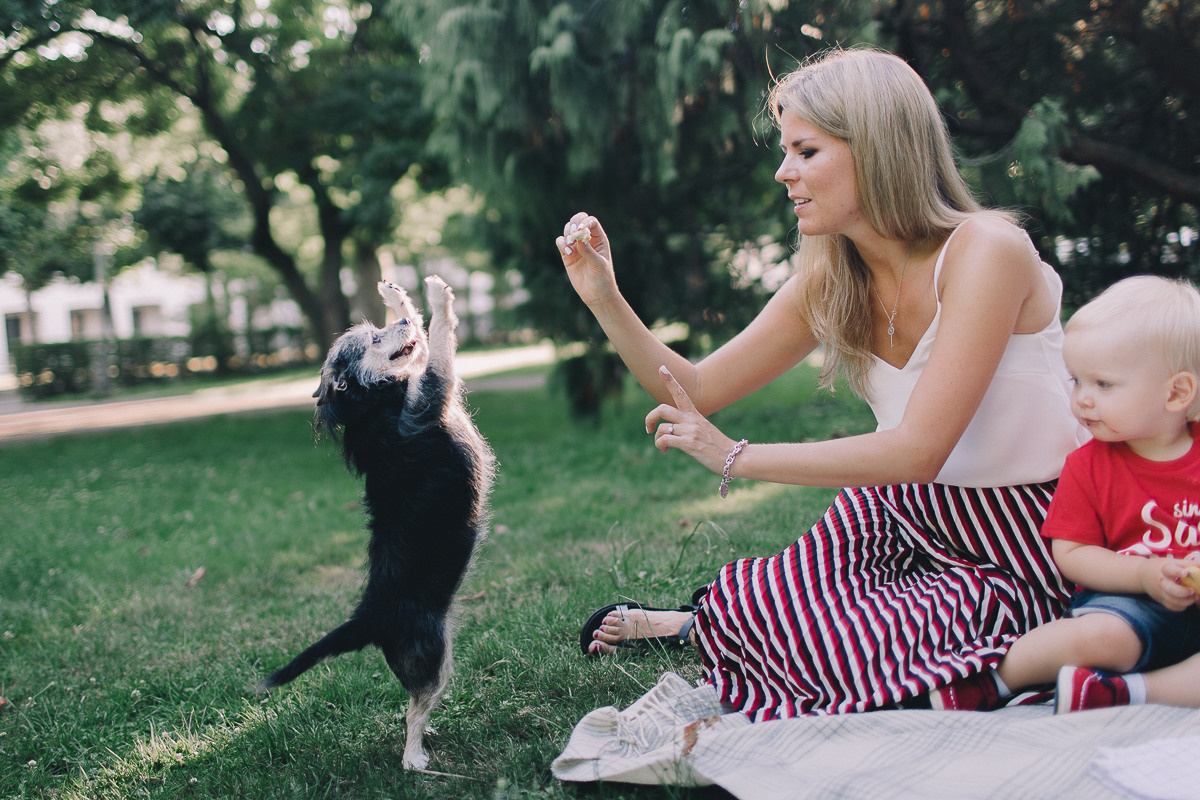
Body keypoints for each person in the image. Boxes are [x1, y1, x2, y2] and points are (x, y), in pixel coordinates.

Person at [555, 46, 1088, 720]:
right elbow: (694, 385)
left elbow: (920, 450)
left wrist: (735, 458)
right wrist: (605, 297)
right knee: (765, 606)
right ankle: (712, 624)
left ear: (878, 149)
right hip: (904, 511)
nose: (784, 173)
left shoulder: (988, 250)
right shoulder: (831, 280)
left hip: (1022, 537)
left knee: (838, 649)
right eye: (785, 151)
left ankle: (709, 630)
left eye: (806, 151)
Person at [931, 275, 1200, 714]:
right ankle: (995, 682)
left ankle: (1121, 694)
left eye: (1104, 385)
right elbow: (1072, 553)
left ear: (1176, 393)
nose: (1083, 400)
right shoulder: (1089, 465)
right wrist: (1145, 576)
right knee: (1097, 637)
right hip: (1130, 604)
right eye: (1077, 381)